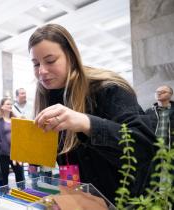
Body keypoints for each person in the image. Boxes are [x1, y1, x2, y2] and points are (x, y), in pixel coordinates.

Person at [28, 24, 155, 203]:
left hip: (125, 201)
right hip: (83, 201)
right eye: (35, 64)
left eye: (50, 61)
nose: (41, 71)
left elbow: (143, 146)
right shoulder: (47, 99)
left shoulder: (109, 89)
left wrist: (86, 123)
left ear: (71, 56)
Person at [0, 97, 25, 186]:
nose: (10, 106)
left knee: (20, 174)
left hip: (16, 153)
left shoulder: (15, 119)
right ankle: (3, 195)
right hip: (3, 154)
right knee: (3, 177)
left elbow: (21, 134)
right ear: (2, 106)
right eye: (8, 104)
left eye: (11, 104)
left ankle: (22, 193)